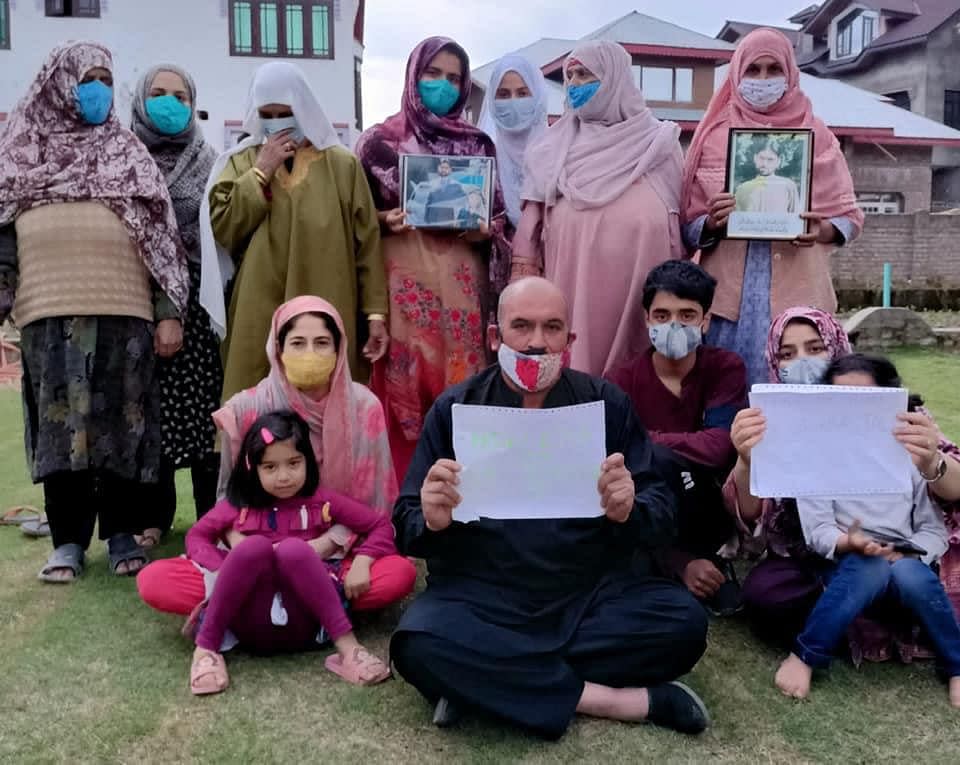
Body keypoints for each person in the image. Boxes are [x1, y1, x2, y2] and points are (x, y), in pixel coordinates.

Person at [390, 277, 710, 740]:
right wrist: (432, 519)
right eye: (521, 326)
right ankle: (624, 701)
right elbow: (405, 520)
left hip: (589, 593)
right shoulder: (455, 408)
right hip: (484, 595)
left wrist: (629, 509)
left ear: (570, 340)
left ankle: (484, 681)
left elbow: (661, 509)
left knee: (682, 625)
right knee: (417, 643)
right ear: (494, 336)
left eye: (552, 328)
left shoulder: (607, 406)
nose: (537, 342)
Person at [0, 42, 189, 582]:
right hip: (48, 315)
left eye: (107, 78)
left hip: (124, 314)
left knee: (123, 426)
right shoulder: (19, 155)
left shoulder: (128, 153)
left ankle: (124, 533)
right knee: (60, 431)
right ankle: (67, 541)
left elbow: (160, 242)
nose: (98, 89)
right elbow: (3, 247)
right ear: (60, 82)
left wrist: (168, 310)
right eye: (88, 78)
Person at [137, 297, 414, 615]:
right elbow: (230, 498)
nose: (310, 353)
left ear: (339, 350)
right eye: (297, 343)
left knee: (396, 574)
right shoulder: (246, 409)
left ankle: (266, 606)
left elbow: (375, 508)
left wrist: (321, 547)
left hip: (337, 551)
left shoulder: (365, 407)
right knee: (156, 580)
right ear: (278, 349)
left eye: (322, 343)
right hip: (255, 554)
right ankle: (310, 606)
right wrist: (247, 551)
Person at [728, 307, 960, 663]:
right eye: (786, 355)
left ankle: (863, 613)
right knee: (767, 592)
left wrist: (932, 463)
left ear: (837, 347)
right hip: (817, 557)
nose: (802, 362)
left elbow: (950, 491)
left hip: (906, 551)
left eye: (815, 348)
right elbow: (752, 516)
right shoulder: (767, 421)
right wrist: (746, 460)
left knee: (915, 578)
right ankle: (871, 613)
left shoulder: (897, 413)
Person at [355, 36, 513, 483]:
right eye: (432, 74)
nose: (442, 85)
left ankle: (466, 497)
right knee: (403, 385)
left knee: (463, 390)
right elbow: (353, 220)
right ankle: (404, 499)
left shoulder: (478, 145)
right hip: (401, 289)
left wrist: (485, 229)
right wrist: (384, 218)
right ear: (412, 75)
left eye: (453, 78)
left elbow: (499, 222)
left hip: (462, 288)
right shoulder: (377, 145)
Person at [772, 354, 960, 708]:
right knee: (866, 567)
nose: (853, 411)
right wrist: (849, 542)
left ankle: (957, 666)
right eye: (842, 400)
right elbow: (818, 530)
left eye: (866, 401)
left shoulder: (909, 456)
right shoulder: (817, 455)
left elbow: (932, 529)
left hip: (906, 560)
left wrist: (908, 551)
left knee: (913, 576)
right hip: (849, 562)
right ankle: (806, 655)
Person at [681, 28, 864, 386]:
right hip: (727, 302)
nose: (763, 80)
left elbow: (849, 217)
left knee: (802, 393)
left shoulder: (817, 134)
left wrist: (822, 229)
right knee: (728, 391)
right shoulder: (714, 135)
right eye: (753, 70)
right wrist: (712, 223)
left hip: (800, 294)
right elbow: (687, 222)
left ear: (790, 73)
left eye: (772, 69)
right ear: (736, 74)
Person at [201, 61, 388, 398]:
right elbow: (224, 227)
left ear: (302, 106)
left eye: (284, 112)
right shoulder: (240, 162)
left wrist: (375, 314)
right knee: (258, 408)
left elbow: (368, 245)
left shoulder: (342, 166)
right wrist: (261, 170)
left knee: (326, 399)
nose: (277, 123)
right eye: (267, 114)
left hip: (329, 299)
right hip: (259, 307)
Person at [187, 411, 393, 696]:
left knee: (295, 551)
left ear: (308, 460)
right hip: (249, 613)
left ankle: (349, 650)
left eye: (294, 463)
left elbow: (380, 524)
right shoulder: (239, 505)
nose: (283, 477)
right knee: (251, 549)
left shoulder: (322, 501)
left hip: (308, 614)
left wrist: (362, 561)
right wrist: (225, 569)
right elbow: (196, 536)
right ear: (252, 468)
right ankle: (206, 651)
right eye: (270, 467)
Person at [512, 40, 684, 378]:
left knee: (636, 382)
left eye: (585, 75)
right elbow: (529, 235)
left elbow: (682, 224)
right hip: (571, 290)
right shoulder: (550, 149)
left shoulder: (660, 145)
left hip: (639, 296)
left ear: (615, 78)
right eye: (570, 76)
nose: (574, 83)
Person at [605, 260, 747, 615]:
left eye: (687, 315)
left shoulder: (724, 368)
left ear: (706, 321)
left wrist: (648, 442)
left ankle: (700, 558)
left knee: (659, 458)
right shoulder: (620, 380)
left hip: (706, 503)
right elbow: (614, 454)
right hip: (643, 505)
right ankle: (679, 564)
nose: (674, 325)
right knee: (645, 469)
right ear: (647, 319)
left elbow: (719, 447)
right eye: (663, 314)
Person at [131, 64, 222, 545]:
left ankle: (210, 514)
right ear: (141, 100)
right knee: (152, 413)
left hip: (200, 303)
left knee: (204, 413)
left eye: (181, 95)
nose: (172, 103)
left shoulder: (210, 160)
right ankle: (153, 516)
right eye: (160, 93)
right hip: (138, 298)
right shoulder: (122, 157)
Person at [477, 54, 548, 229]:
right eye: (503, 94)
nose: (513, 101)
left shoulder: (558, 152)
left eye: (523, 93)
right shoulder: (482, 156)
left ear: (538, 96)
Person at [734, 143, 800, 213]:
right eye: (761, 158)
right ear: (755, 158)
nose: (764, 164)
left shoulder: (788, 185)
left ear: (778, 161)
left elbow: (795, 215)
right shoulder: (743, 187)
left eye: (770, 159)